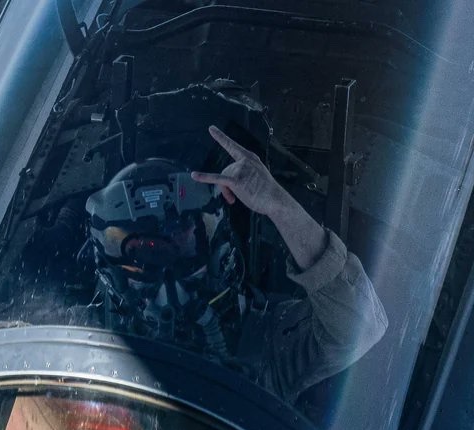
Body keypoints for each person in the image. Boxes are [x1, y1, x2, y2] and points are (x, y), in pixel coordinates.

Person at [84, 125, 388, 403]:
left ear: (218, 250)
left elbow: (360, 328)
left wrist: (280, 206)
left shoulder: (267, 340)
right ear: (114, 272)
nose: (167, 272)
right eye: (146, 253)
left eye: (181, 242)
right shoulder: (85, 337)